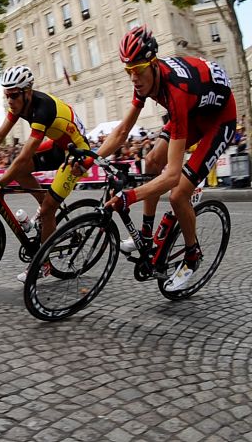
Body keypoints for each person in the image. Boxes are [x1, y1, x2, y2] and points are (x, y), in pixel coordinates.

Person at [97, 25, 236, 291]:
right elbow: (122, 130)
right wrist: (90, 159)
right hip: (195, 110)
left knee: (177, 193)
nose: (133, 78)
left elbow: (172, 175)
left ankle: (192, 256)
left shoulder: (176, 91)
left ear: (153, 64)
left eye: (137, 70)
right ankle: (147, 235)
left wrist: (129, 196)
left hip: (219, 120)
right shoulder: (146, 79)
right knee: (151, 162)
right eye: (128, 71)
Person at [0, 65, 91, 282]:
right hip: (59, 145)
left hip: (78, 154)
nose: (10, 100)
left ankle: (43, 262)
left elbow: (25, 154)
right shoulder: (19, 105)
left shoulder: (42, 108)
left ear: (27, 92)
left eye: (14, 95)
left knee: (46, 207)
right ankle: (45, 214)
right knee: (22, 174)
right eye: (6, 95)